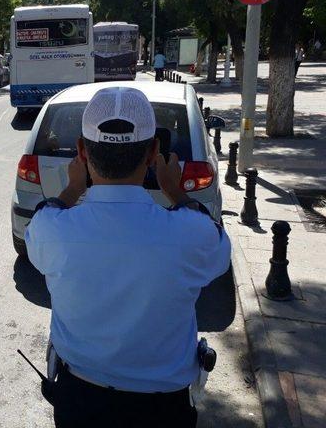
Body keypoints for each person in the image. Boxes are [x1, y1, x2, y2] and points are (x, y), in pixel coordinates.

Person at [25, 86, 231, 428]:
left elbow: (43, 221)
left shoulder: (52, 229)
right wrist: (175, 191)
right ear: (153, 153)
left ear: (81, 151)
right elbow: (217, 250)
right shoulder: (191, 234)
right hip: (164, 409)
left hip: (79, 400)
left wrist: (73, 187)